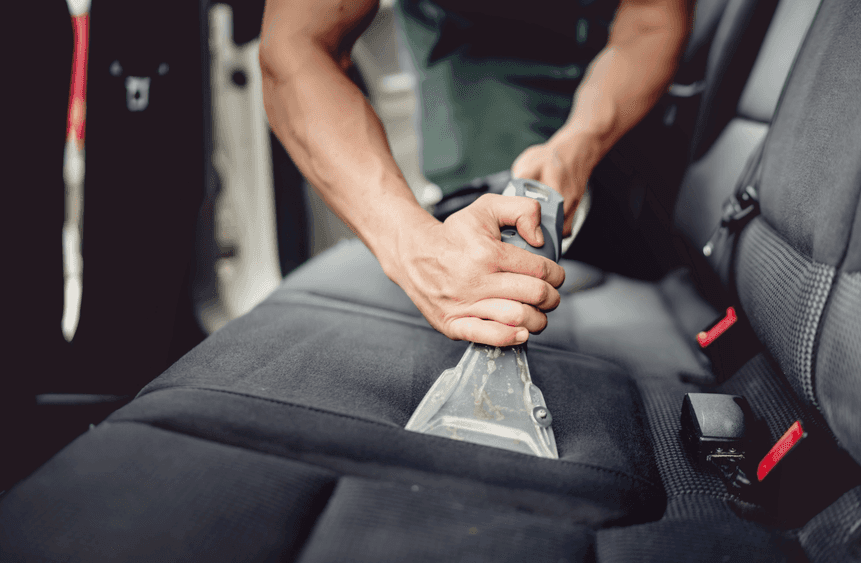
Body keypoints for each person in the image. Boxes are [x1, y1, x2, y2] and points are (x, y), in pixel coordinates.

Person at [259, 0, 692, 348]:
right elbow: (296, 46)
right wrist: (413, 246)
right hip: (480, 131)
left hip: (624, 133)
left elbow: (652, 20)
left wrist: (578, 145)